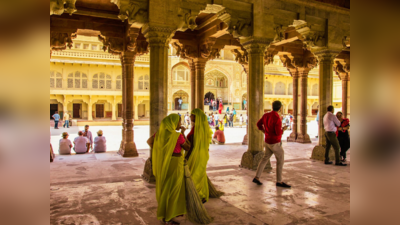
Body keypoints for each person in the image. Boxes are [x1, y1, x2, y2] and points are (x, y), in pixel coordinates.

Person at [147, 114, 190, 224]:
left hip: (164, 163)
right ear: (174, 123)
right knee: (174, 190)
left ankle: (164, 214)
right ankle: (169, 217)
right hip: (175, 164)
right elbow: (187, 147)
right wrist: (183, 133)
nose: (180, 124)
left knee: (165, 188)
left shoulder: (160, 134)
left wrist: (162, 150)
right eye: (179, 122)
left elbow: (149, 142)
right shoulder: (177, 136)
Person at [252, 101, 291, 188]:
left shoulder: (266, 115)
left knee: (264, 159)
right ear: (280, 108)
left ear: (272, 107)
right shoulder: (277, 117)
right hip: (275, 143)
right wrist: (283, 129)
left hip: (267, 141)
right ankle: (279, 181)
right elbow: (278, 132)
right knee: (280, 161)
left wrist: (264, 131)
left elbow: (258, 124)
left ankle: (257, 177)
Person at [186, 108, 212, 203]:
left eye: (192, 115)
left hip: (195, 154)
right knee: (200, 174)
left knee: (194, 175)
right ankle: (202, 195)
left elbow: (192, 146)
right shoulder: (204, 128)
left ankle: (198, 195)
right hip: (203, 154)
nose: (190, 116)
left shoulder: (196, 129)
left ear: (196, 117)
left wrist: (186, 157)